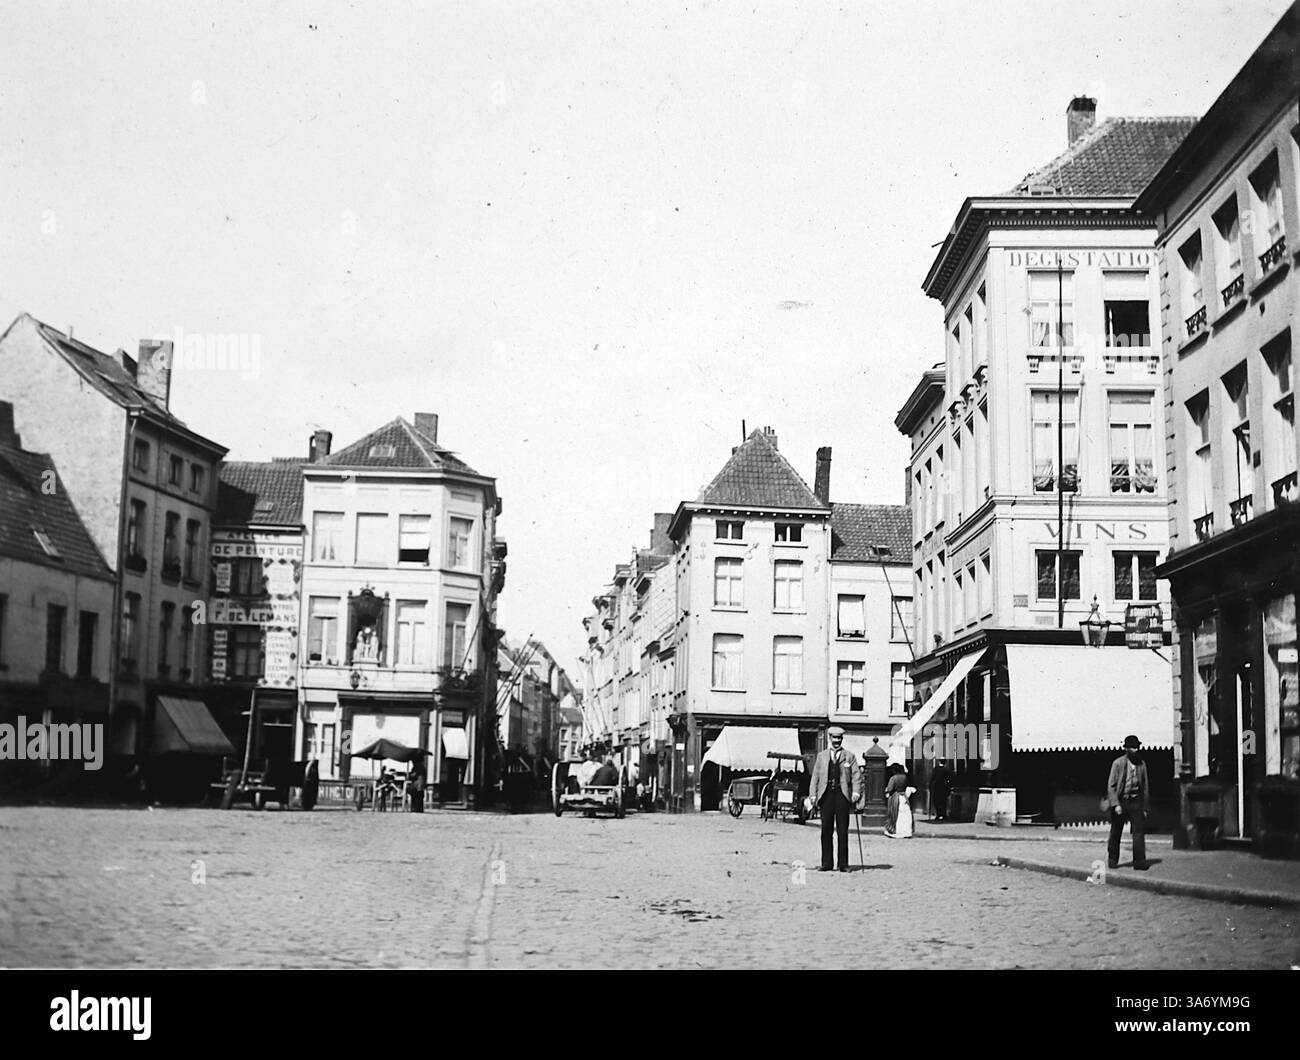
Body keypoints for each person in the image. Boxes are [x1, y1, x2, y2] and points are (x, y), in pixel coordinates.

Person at [809, 726, 862, 872]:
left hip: (842, 796)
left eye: (839, 738)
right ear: (830, 738)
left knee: (842, 831)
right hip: (826, 796)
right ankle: (826, 863)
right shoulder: (822, 756)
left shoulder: (849, 756)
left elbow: (857, 776)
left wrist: (856, 793)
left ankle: (843, 864)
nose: (837, 741)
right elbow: (815, 777)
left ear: (842, 739)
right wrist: (813, 794)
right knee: (826, 830)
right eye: (834, 738)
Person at [1104, 735, 1150, 870]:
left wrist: (1145, 807)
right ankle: (1113, 859)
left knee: (1138, 832)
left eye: (1137, 747)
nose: (1135, 750)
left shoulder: (1142, 764)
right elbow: (1111, 786)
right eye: (1132, 748)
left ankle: (1139, 862)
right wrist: (1116, 804)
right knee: (1116, 831)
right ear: (1126, 749)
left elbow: (1146, 786)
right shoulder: (1118, 763)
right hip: (1121, 800)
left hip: (1136, 800)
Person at [884, 764, 914, 838]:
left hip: (895, 797)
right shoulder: (904, 777)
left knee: (895, 814)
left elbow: (890, 789)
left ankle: (896, 831)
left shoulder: (893, 778)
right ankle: (906, 832)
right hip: (903, 796)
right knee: (905, 815)